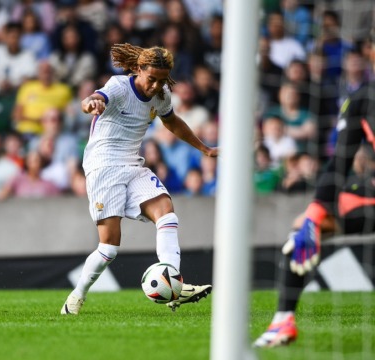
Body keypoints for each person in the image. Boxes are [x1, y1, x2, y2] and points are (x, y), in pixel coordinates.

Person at [61, 43, 218, 315]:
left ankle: (174, 287)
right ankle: (76, 296)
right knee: (108, 248)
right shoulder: (119, 87)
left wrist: (204, 148)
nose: (156, 85)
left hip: (132, 165)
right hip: (103, 167)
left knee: (166, 213)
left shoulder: (162, 95)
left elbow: (172, 122)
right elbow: (95, 98)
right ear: (138, 69)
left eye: (162, 80)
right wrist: (91, 103)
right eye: (151, 79)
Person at [254, 33, 375, 347]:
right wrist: (316, 210)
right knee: (304, 229)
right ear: (369, 52)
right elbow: (340, 163)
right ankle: (283, 323)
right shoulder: (362, 98)